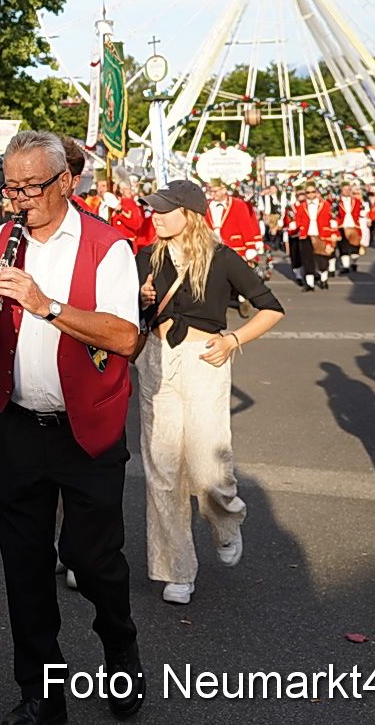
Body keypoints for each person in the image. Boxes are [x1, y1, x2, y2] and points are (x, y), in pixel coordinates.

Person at [0, 130, 145, 725]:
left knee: (92, 559)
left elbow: (125, 337)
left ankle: (119, 644)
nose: (17, 199)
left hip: (87, 428)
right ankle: (42, 693)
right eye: (10, 186)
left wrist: (47, 306)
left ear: (67, 181)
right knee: (24, 566)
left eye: (30, 187)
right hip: (17, 425)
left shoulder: (107, 247)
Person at [136, 180, 284, 605]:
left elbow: (271, 307)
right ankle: (175, 569)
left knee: (207, 466)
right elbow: (120, 310)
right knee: (162, 470)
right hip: (157, 358)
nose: (156, 216)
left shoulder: (221, 259)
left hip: (206, 359)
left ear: (190, 214)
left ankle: (226, 519)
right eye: (155, 210)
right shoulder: (146, 256)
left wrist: (234, 341)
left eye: (165, 210)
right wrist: (139, 296)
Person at [288, 183, 337, 291]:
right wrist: (294, 225)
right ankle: (310, 283)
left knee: (322, 257)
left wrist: (333, 231)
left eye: (313, 192)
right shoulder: (302, 206)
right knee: (307, 259)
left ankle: (324, 279)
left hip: (321, 234)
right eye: (308, 192)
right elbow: (299, 220)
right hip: (306, 235)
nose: (310, 194)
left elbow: (330, 218)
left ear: (316, 192)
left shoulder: (325, 205)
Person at [335, 182, 367, 275]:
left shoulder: (356, 201)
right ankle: (345, 266)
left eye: (348, 189)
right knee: (343, 246)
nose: (347, 191)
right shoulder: (337, 202)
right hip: (342, 225)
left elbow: (361, 211)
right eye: (345, 189)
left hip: (354, 225)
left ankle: (354, 262)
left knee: (355, 246)